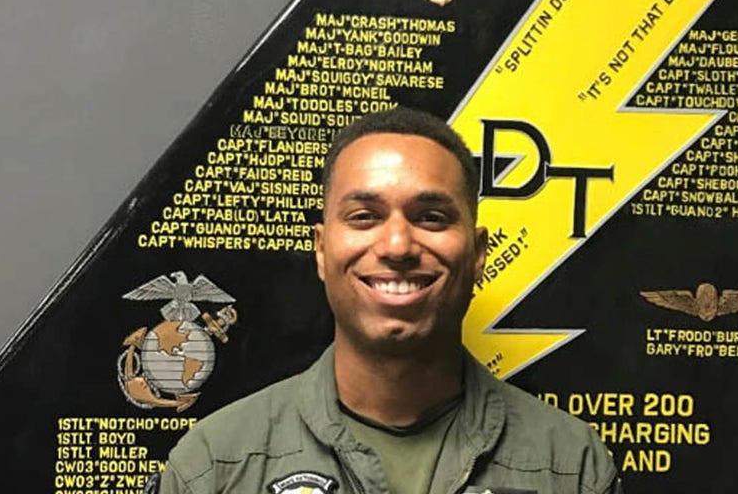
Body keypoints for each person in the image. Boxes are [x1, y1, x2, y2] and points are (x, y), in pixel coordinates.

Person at [157, 107, 621, 494]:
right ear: (322, 250)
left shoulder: (570, 468)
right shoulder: (216, 467)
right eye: (364, 216)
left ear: (478, 255)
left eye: (431, 217)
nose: (398, 245)